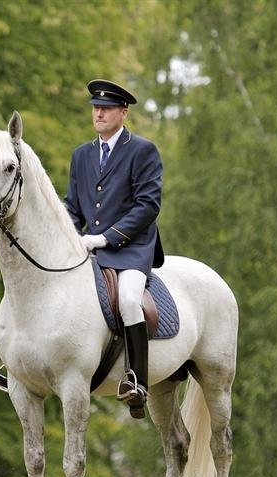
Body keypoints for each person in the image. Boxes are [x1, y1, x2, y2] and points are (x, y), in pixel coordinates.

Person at [65, 79, 164, 418]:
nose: (99, 113)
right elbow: (73, 208)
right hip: (88, 248)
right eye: (95, 107)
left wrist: (106, 237)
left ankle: (137, 381)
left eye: (106, 108)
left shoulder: (143, 151)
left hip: (131, 249)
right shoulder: (82, 155)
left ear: (123, 112)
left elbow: (147, 206)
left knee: (128, 300)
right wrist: (61, 234)